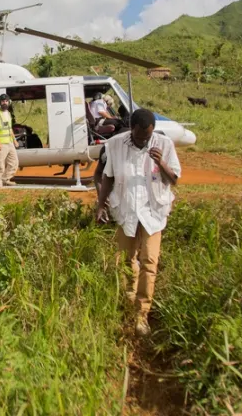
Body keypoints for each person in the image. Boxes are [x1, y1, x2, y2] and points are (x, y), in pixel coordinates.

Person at [95, 108, 181, 335]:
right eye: (140, 136)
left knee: (149, 261)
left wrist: (161, 163)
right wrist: (101, 205)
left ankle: (142, 313)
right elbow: (108, 177)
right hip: (127, 210)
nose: (144, 141)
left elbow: (174, 179)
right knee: (126, 260)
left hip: (153, 213)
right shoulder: (115, 144)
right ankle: (129, 302)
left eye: (148, 136)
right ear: (131, 129)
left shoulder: (164, 144)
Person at [0, 93, 19, 187]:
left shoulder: (8, 113)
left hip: (9, 143)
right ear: (0, 102)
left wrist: (14, 140)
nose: (4, 103)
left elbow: (10, 128)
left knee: (14, 163)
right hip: (1, 144)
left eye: (6, 101)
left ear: (9, 102)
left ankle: (5, 179)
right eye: (3, 101)